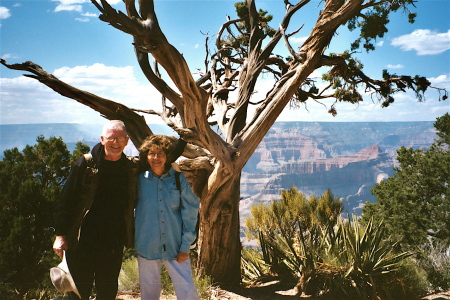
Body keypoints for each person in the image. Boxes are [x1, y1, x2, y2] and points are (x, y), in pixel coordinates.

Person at [52, 120, 186, 300]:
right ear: (102, 139)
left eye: (120, 138)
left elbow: (163, 158)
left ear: (127, 140)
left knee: (107, 291)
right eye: (111, 138)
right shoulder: (85, 164)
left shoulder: (131, 166)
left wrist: (183, 139)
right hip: (81, 238)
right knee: (77, 291)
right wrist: (60, 235)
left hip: (112, 240)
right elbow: (66, 200)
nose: (115, 142)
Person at [135, 135, 200, 300]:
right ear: (146, 156)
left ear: (167, 156)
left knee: (187, 292)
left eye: (160, 154)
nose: (156, 158)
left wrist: (186, 245)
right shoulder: (138, 180)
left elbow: (191, 211)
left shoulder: (178, 179)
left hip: (175, 245)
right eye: (152, 153)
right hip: (146, 245)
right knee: (149, 295)